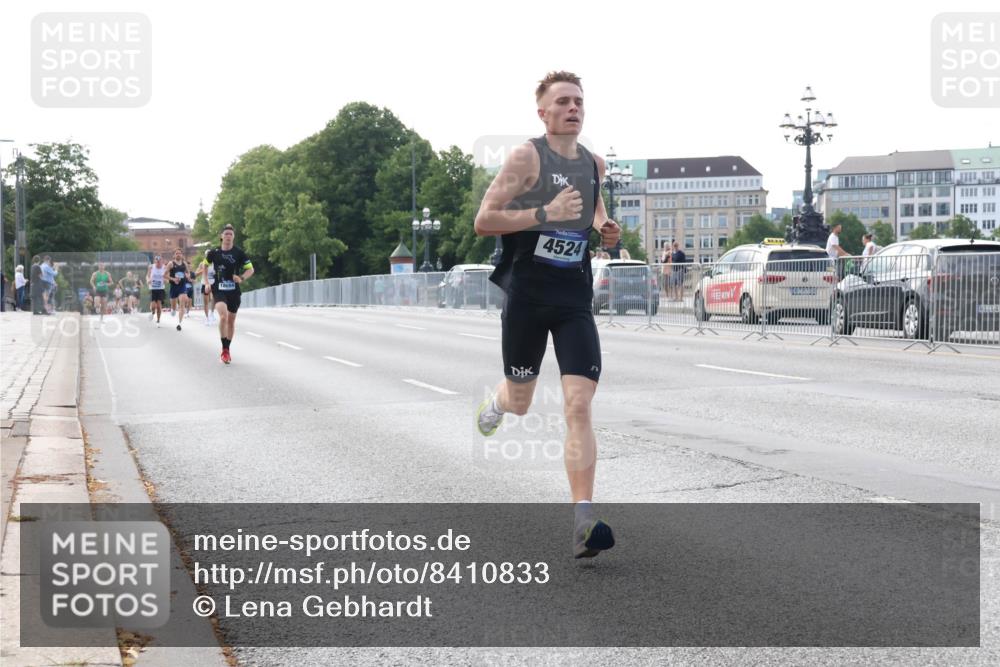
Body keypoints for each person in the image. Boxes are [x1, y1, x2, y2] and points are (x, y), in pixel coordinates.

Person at [473, 71, 620, 559]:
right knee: (520, 401)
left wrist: (605, 227)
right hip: (528, 298)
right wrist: (544, 214)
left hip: (573, 298)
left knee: (578, 405)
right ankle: (496, 404)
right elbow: (484, 220)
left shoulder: (594, 163)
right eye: (562, 102)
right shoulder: (526, 157)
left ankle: (584, 519)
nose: (573, 108)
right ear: (543, 112)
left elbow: (593, 207)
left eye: (578, 101)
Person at [203, 224, 254, 364]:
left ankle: (227, 349)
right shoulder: (213, 252)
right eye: (226, 233)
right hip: (218, 289)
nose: (228, 236)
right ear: (221, 236)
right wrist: (207, 282)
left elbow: (250, 269)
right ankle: (224, 350)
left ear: (233, 237)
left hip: (234, 291)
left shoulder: (239, 253)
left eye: (231, 234)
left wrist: (241, 278)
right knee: (223, 317)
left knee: (231, 321)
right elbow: (205, 265)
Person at [165, 249, 191, 331]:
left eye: (180, 253)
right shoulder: (171, 264)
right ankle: (173, 309)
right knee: (173, 308)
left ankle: (180, 323)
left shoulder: (184, 264)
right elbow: (164, 275)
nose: (178, 254)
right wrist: (173, 279)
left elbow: (188, 273)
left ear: (182, 255)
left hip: (182, 286)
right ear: (174, 255)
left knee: (182, 303)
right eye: (176, 253)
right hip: (174, 286)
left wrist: (187, 275)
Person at [147, 255, 168, 327]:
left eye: (159, 261)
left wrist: (166, 280)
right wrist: (148, 280)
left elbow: (167, 277)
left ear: (161, 261)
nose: (158, 262)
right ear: (155, 261)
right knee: (153, 306)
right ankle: (153, 312)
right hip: (153, 288)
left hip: (161, 289)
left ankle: (158, 320)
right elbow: (147, 276)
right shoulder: (151, 267)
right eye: (157, 261)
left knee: (159, 306)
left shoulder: (164, 268)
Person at [196, 260, 216, 325]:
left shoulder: (216, 262)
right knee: (206, 302)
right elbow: (196, 274)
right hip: (205, 284)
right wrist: (203, 270)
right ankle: (207, 318)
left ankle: (212, 313)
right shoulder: (202, 263)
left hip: (214, 283)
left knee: (215, 298)